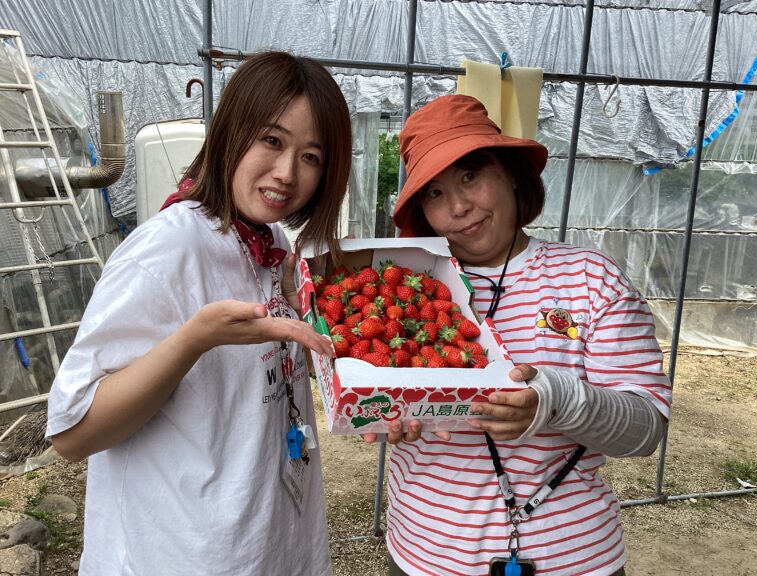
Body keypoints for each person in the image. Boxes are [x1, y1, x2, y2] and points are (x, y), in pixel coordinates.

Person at [45, 51, 351, 575]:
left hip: (267, 541)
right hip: (179, 553)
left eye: (311, 156)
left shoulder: (269, 244)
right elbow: (73, 434)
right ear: (232, 131)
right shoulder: (165, 251)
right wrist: (195, 339)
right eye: (272, 141)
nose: (286, 172)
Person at [383, 94, 672, 576]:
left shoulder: (588, 279)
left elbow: (646, 431)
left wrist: (554, 401)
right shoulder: (408, 291)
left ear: (512, 174)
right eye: (433, 193)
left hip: (574, 561)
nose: (458, 206)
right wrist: (386, 414)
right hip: (424, 556)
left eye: (470, 175)